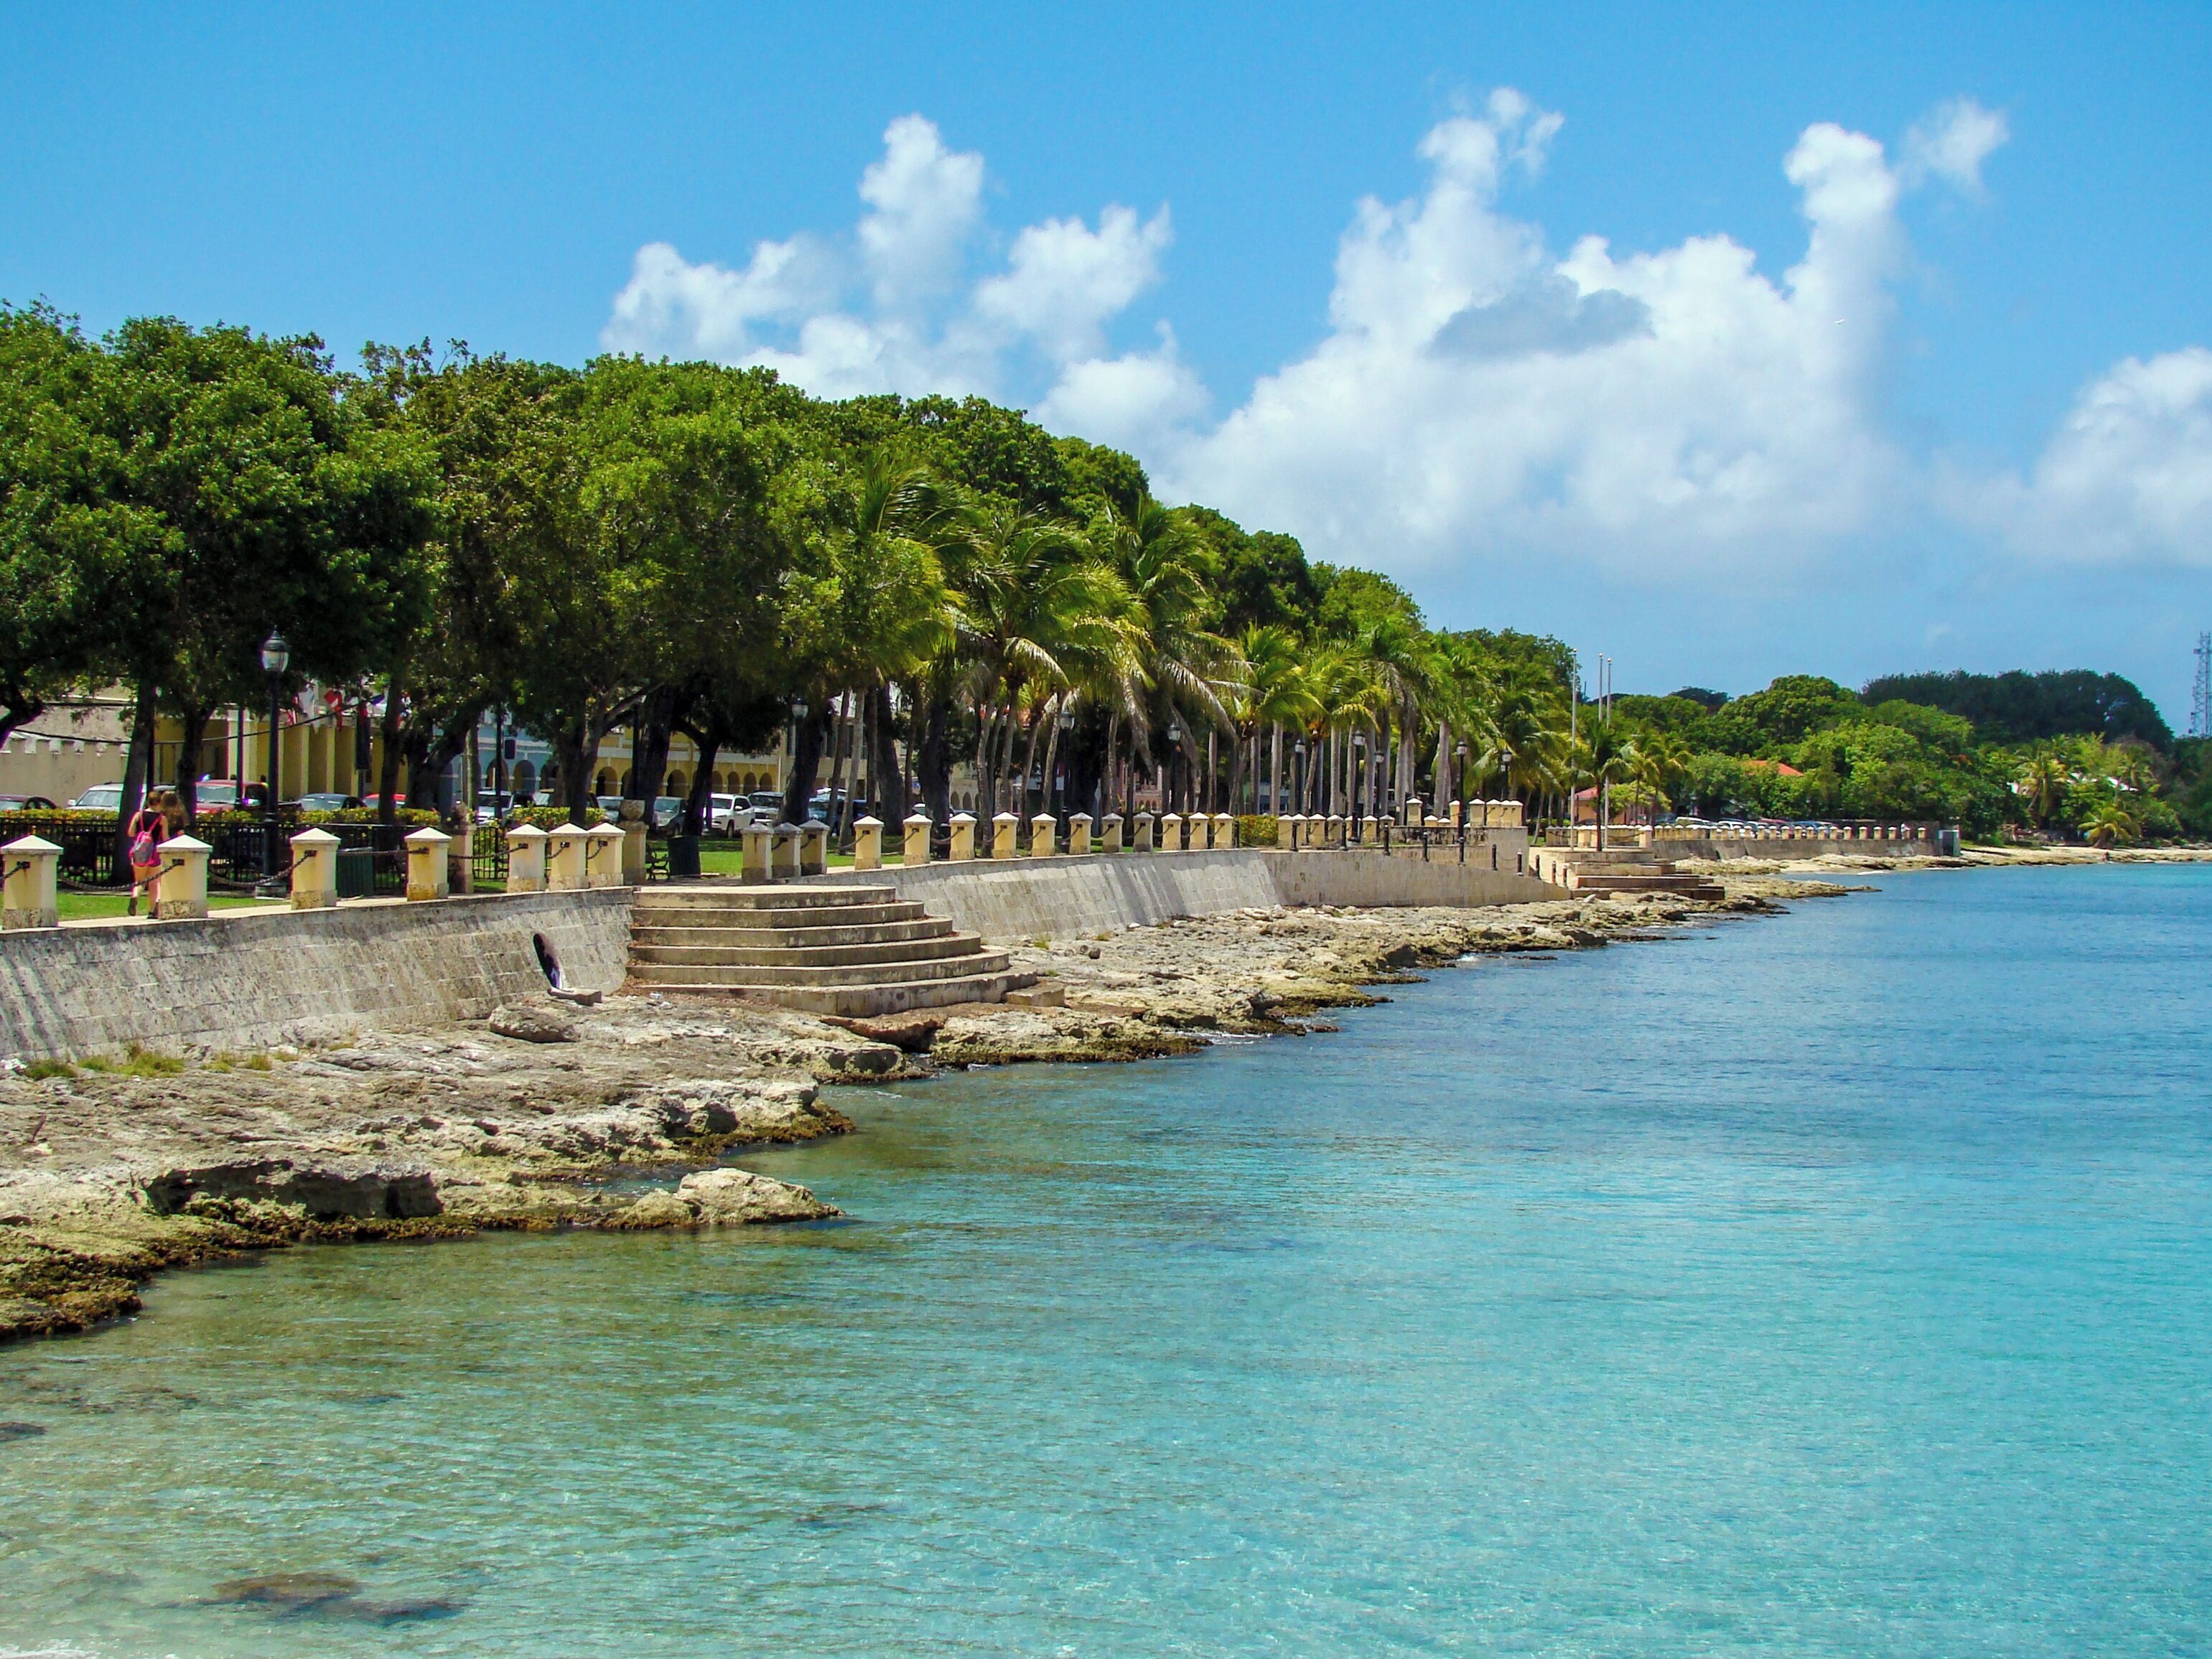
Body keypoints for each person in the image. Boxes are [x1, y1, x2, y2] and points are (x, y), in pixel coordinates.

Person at [123, 788, 176, 917]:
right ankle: (152, 911)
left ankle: (135, 896)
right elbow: (165, 838)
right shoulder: (161, 819)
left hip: (139, 852)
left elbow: (130, 833)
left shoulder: (139, 815)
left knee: (140, 881)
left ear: (148, 802)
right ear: (159, 803)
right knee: (155, 882)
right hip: (154, 854)